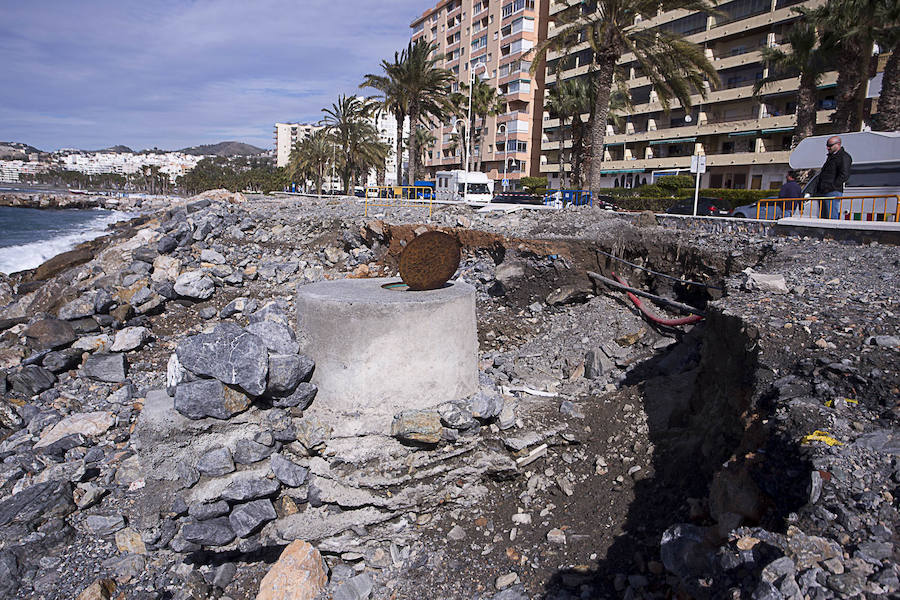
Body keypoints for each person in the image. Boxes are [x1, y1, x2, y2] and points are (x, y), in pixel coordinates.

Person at [815, 135, 852, 219]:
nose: (828, 148)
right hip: (823, 191)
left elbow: (844, 175)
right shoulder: (831, 157)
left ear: (838, 144)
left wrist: (832, 186)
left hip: (831, 191)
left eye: (830, 145)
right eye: (827, 145)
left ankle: (830, 232)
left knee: (830, 217)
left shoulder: (844, 157)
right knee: (823, 218)